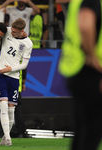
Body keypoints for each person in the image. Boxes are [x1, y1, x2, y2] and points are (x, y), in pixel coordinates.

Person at [58, 0, 102, 150]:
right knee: (92, 132)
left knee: (83, 130)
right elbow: (85, 24)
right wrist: (92, 57)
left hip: (75, 68)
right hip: (89, 70)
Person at [0, 18, 32, 146]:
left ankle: (5, 137)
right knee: (2, 106)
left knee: (11, 110)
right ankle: (8, 138)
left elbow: (25, 64)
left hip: (14, 77)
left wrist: (11, 69)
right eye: (12, 30)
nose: (12, 33)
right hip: (1, 74)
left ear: (22, 31)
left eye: (15, 32)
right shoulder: (8, 30)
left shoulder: (28, 43)